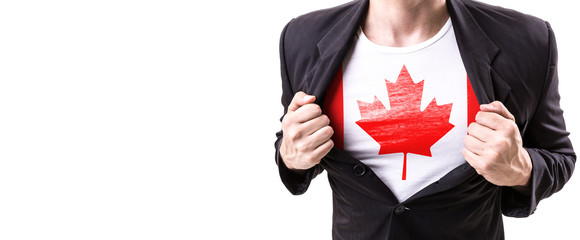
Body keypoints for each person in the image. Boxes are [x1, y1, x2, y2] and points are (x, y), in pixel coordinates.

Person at [274, 0, 576, 239]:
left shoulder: (526, 39)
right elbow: (292, 143)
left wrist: (520, 169)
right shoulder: (302, 37)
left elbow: (559, 156)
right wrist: (290, 155)